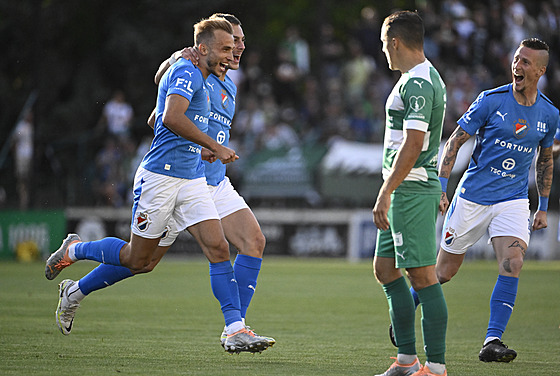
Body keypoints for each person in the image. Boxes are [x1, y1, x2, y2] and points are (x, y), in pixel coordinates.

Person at [45, 17, 269, 354]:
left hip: (203, 178)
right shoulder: (191, 67)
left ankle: (235, 327)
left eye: (239, 42)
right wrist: (174, 64)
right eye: (231, 43)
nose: (237, 49)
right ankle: (75, 258)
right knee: (140, 261)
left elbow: (172, 118)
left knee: (234, 245)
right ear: (206, 47)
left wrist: (206, 147)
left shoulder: (226, 85)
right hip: (165, 177)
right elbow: (162, 116)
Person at [406, 37, 557, 364]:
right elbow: (455, 142)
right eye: (516, 59)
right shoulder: (490, 101)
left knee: (513, 263)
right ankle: (405, 304)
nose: (518, 65)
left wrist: (542, 207)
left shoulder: (549, 114)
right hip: (472, 198)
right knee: (444, 272)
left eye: (526, 62)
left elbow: (545, 160)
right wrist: (440, 186)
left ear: (541, 70)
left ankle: (492, 340)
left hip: (513, 200)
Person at [372, 10, 448, 376]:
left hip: (410, 189)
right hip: (408, 186)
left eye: (384, 42)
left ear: (395, 41)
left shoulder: (417, 83)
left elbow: (415, 142)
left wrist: (387, 189)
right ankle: (406, 360)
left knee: (421, 275)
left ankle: (435, 367)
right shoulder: (421, 77)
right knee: (385, 269)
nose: (383, 49)